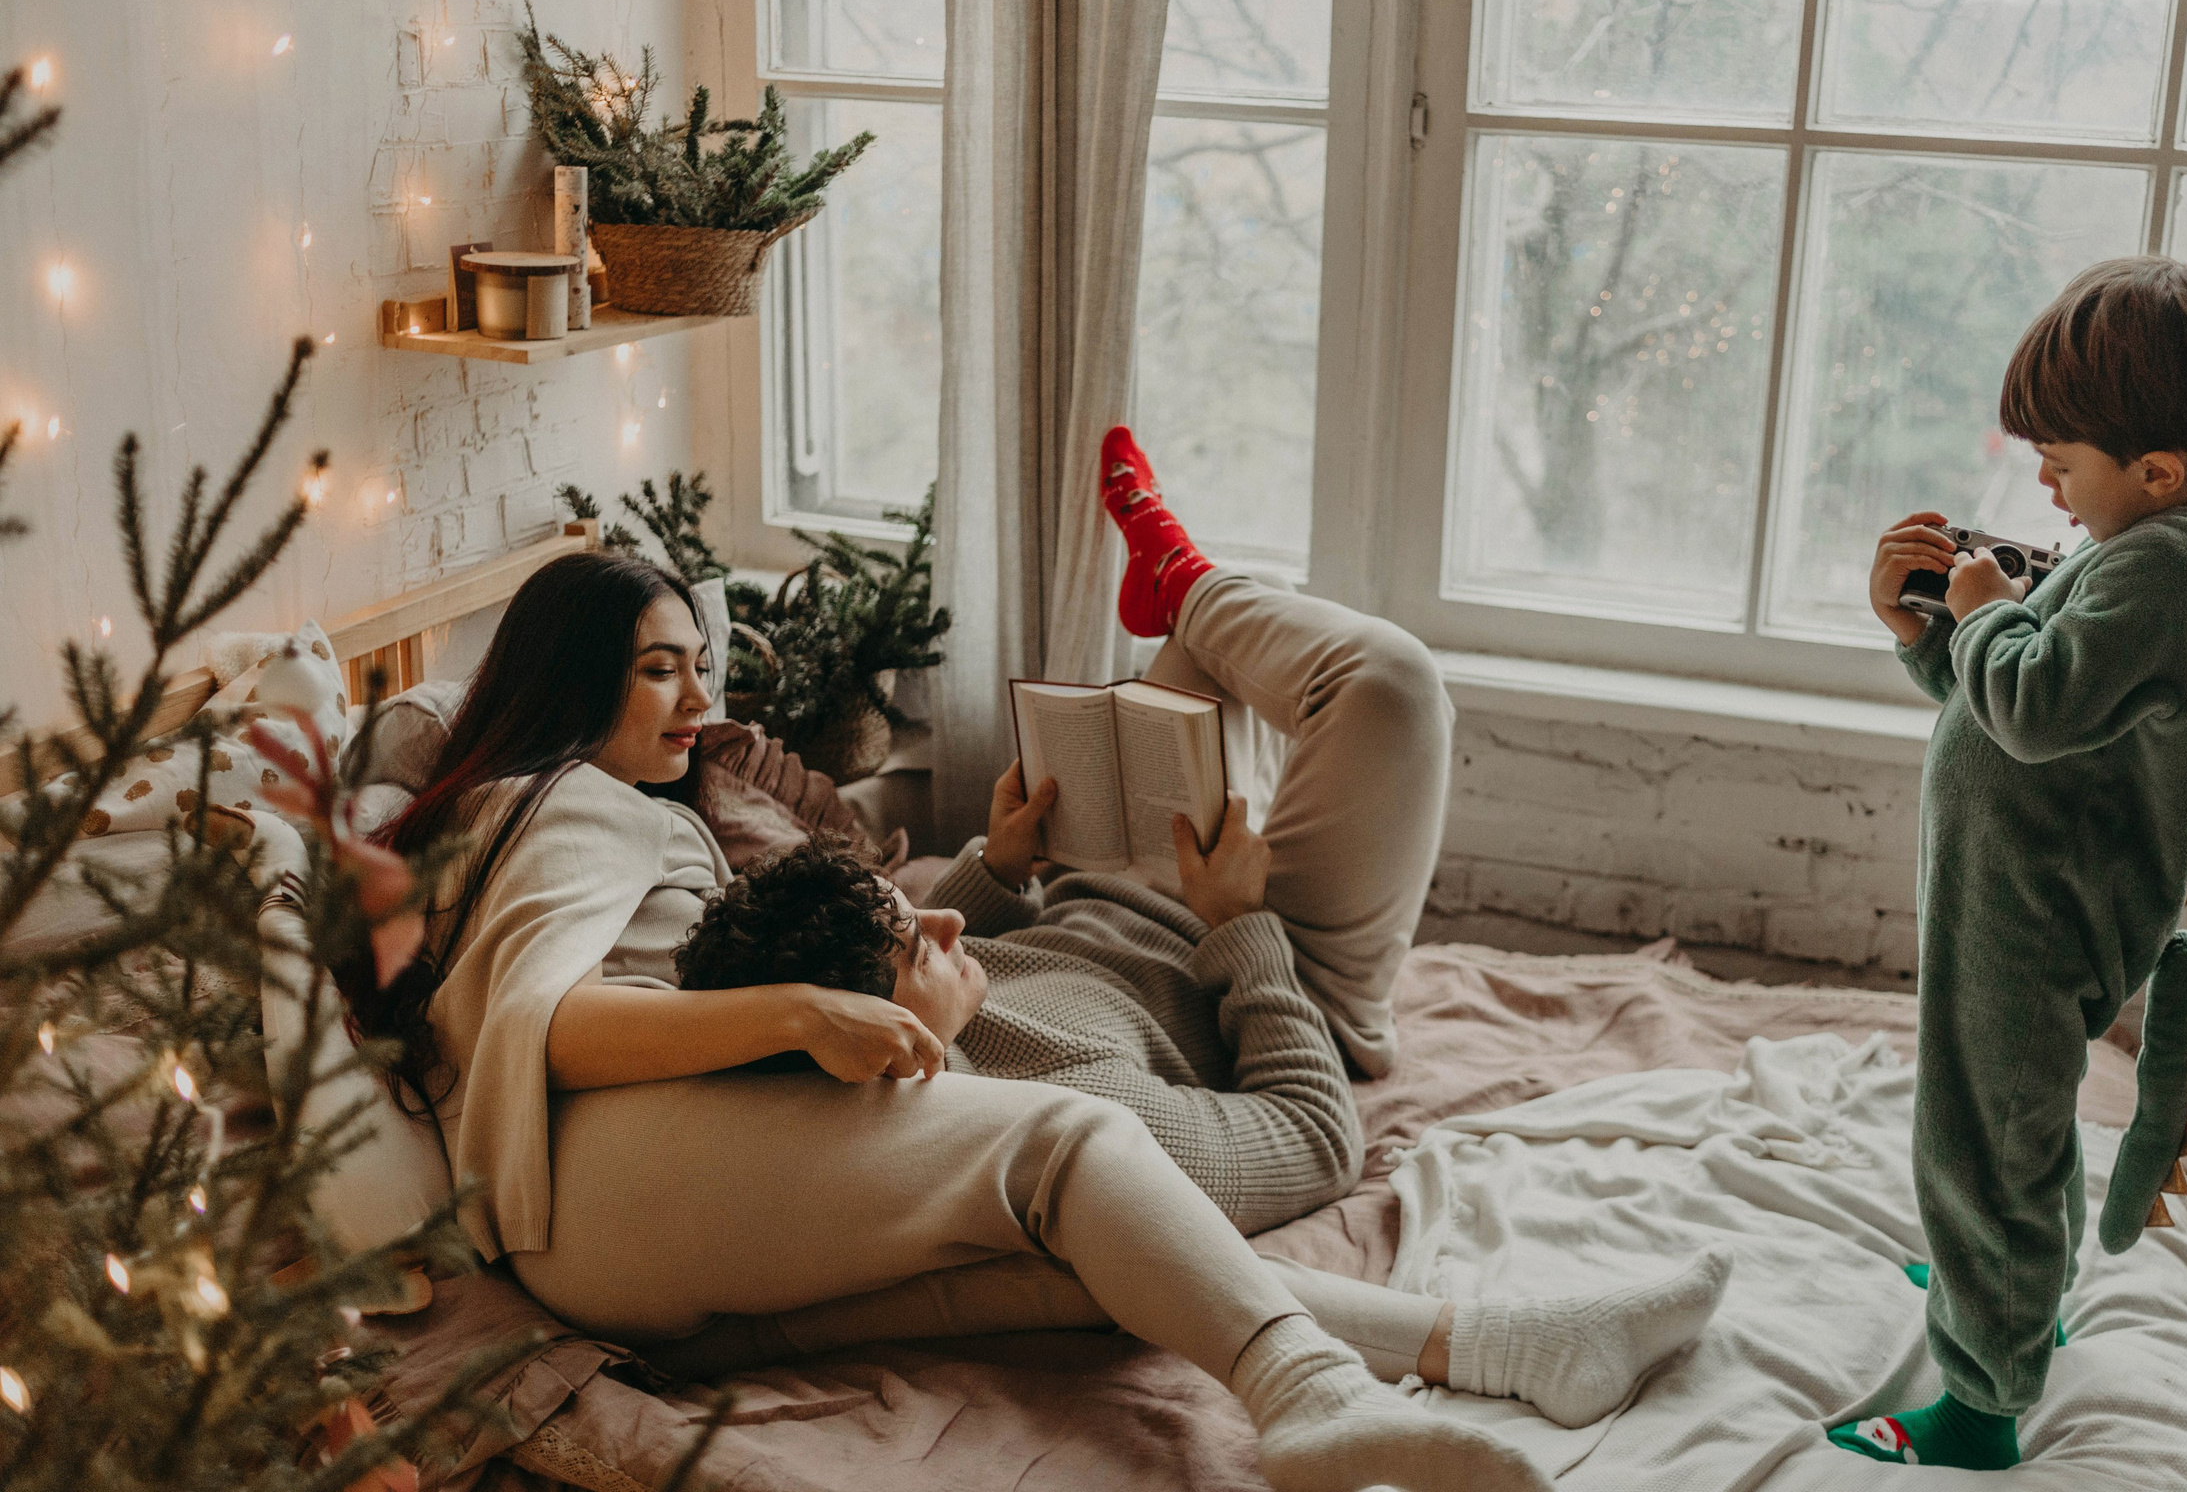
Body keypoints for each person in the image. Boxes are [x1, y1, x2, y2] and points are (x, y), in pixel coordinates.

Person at [652, 427, 1729, 1424]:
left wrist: (1003, 864)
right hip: (1275, 958)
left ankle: (1182, 590)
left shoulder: (881, 1015)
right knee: (1390, 683)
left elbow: (940, 937)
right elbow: (1314, 1138)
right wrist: (1242, 926)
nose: (946, 917)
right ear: (881, 1033)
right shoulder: (1067, 1117)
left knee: (1188, 684)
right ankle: (1182, 574)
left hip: (1110, 890)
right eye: (915, 940)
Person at [1833, 257, 2187, 1471]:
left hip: (2025, 908)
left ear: (2158, 471)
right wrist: (1926, 633)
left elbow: (2032, 705)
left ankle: (1983, 1393)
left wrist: (1978, 604)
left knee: (1979, 1138)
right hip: (2053, 889)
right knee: (2021, 1120)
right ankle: (2010, 1280)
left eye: (2062, 464)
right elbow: (2043, 717)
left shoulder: (2160, 568)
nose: (2046, 486)